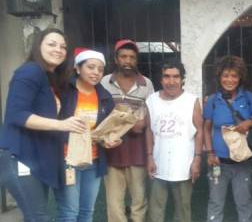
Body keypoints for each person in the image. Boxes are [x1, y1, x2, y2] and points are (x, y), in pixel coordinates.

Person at [0, 28, 87, 222]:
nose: (58, 49)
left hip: (36, 159)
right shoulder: (30, 70)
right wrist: (61, 125)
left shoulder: (49, 78)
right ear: (38, 46)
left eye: (63, 47)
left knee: (35, 216)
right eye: (51, 44)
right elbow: (17, 114)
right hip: (19, 157)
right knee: (39, 217)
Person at [54, 48, 117, 222]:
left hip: (94, 161)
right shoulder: (63, 92)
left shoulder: (104, 97)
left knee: (87, 212)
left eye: (100, 69)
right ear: (78, 68)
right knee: (69, 213)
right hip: (68, 161)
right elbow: (52, 123)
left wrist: (112, 139)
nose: (96, 72)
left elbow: (111, 129)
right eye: (90, 67)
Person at [101, 39, 154, 222]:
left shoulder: (146, 84)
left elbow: (151, 115)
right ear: (116, 59)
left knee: (139, 200)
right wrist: (131, 124)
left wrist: (142, 123)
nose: (128, 61)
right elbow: (100, 115)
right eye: (123, 56)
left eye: (132, 57)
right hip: (111, 149)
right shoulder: (104, 82)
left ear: (136, 60)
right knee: (114, 202)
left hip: (137, 150)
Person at [146, 61, 203, 222]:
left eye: (176, 77)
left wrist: (197, 160)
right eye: (167, 76)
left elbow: (199, 132)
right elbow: (149, 131)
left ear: (182, 79)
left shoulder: (192, 101)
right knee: (155, 210)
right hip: (158, 163)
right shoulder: (152, 100)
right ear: (161, 79)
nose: (171, 81)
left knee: (183, 210)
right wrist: (149, 157)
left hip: (183, 164)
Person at [203, 56, 252, 222]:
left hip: (242, 162)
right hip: (219, 162)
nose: (230, 80)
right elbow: (206, 128)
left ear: (240, 77)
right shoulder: (212, 100)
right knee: (215, 203)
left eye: (234, 75)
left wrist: (248, 123)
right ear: (219, 77)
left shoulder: (247, 97)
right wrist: (210, 153)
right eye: (225, 75)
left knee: (244, 203)